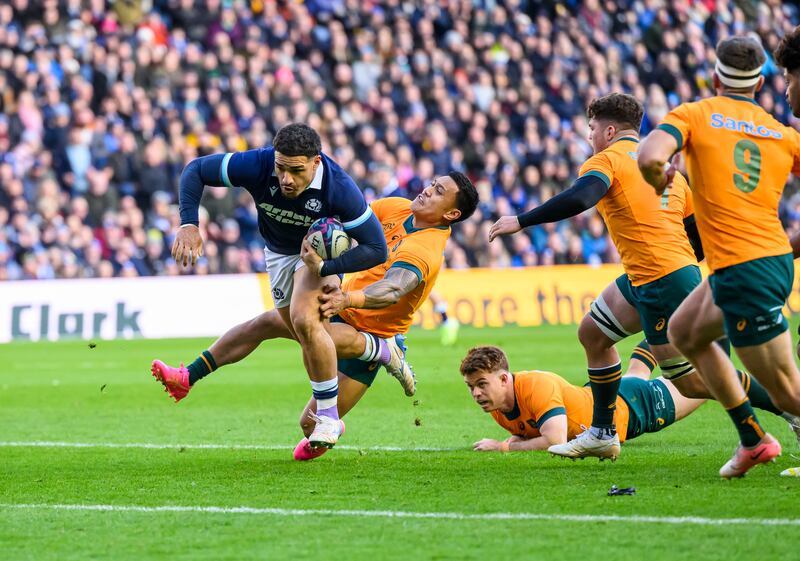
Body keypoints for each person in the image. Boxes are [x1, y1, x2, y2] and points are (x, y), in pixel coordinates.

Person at [487, 93, 797, 461]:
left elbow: (581, 198)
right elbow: (697, 235)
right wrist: (677, 264)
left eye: (592, 129)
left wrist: (520, 220)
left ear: (610, 130)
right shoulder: (670, 174)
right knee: (592, 333)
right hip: (656, 275)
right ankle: (602, 432)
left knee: (694, 381)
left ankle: (790, 408)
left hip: (661, 281)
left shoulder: (607, 160)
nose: (590, 137)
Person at [152, 172, 480, 460]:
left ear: (451, 213)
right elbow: (351, 228)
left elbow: (393, 289)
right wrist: (327, 241)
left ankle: (381, 350)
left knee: (309, 425)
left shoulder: (426, 250)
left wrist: (346, 296)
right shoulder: (397, 206)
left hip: (372, 325)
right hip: (340, 307)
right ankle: (187, 377)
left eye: (438, 192)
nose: (427, 190)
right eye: (432, 184)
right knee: (265, 323)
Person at [161, 123, 388, 450]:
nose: (285, 179)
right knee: (282, 326)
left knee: (305, 320)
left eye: (296, 171)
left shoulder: (339, 187)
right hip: (278, 255)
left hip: (317, 256)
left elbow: (376, 248)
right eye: (281, 168)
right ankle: (377, 349)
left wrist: (326, 267)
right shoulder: (258, 163)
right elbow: (195, 170)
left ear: (316, 162)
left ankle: (328, 417)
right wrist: (189, 223)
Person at [638, 35, 800, 478]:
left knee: (788, 393)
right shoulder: (783, 135)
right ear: (761, 84)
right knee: (685, 332)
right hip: (756, 261)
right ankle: (752, 439)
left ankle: (758, 437)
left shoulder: (694, 114)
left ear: (715, 79)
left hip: (747, 269)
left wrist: (660, 177)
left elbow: (649, 155)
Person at [460, 345, 705, 453]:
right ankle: (664, 328)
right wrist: (516, 439)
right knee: (636, 373)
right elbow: (530, 430)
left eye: (482, 385)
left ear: (504, 379)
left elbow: (554, 439)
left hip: (633, 408)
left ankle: (707, 329)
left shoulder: (536, 385)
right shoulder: (496, 404)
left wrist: (503, 447)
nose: (476, 394)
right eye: (471, 387)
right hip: (600, 394)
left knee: (707, 386)